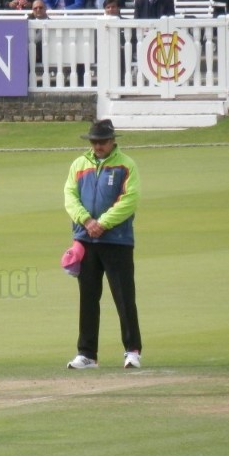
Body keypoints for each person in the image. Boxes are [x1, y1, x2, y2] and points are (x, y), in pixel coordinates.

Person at [63, 120, 142, 371]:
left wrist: (103, 223)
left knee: (124, 297)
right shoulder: (79, 164)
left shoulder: (126, 165)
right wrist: (86, 220)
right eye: (94, 141)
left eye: (102, 141)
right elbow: (70, 197)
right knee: (88, 297)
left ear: (112, 141)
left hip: (116, 240)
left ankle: (132, 351)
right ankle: (87, 354)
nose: (97, 146)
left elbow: (129, 200)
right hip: (85, 240)